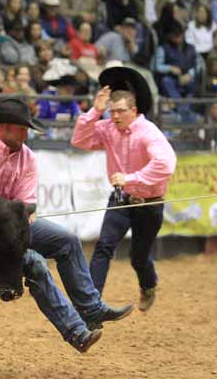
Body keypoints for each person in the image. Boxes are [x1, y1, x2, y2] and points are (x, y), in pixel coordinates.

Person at [0, 98, 133, 353]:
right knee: (34, 263)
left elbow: (27, 204)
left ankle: (92, 309)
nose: (26, 134)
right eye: (21, 128)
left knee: (66, 240)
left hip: (12, 226)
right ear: (2, 128)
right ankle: (76, 332)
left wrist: (25, 218)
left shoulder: (27, 158)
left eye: (27, 129)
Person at [71, 66, 177, 312]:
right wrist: (95, 111)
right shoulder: (108, 127)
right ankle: (89, 303)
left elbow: (166, 164)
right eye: (112, 111)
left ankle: (148, 286)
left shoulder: (149, 132)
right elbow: (79, 140)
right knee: (104, 246)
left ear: (134, 111)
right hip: (120, 198)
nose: (115, 116)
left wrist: (130, 178)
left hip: (149, 202)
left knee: (139, 258)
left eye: (120, 111)